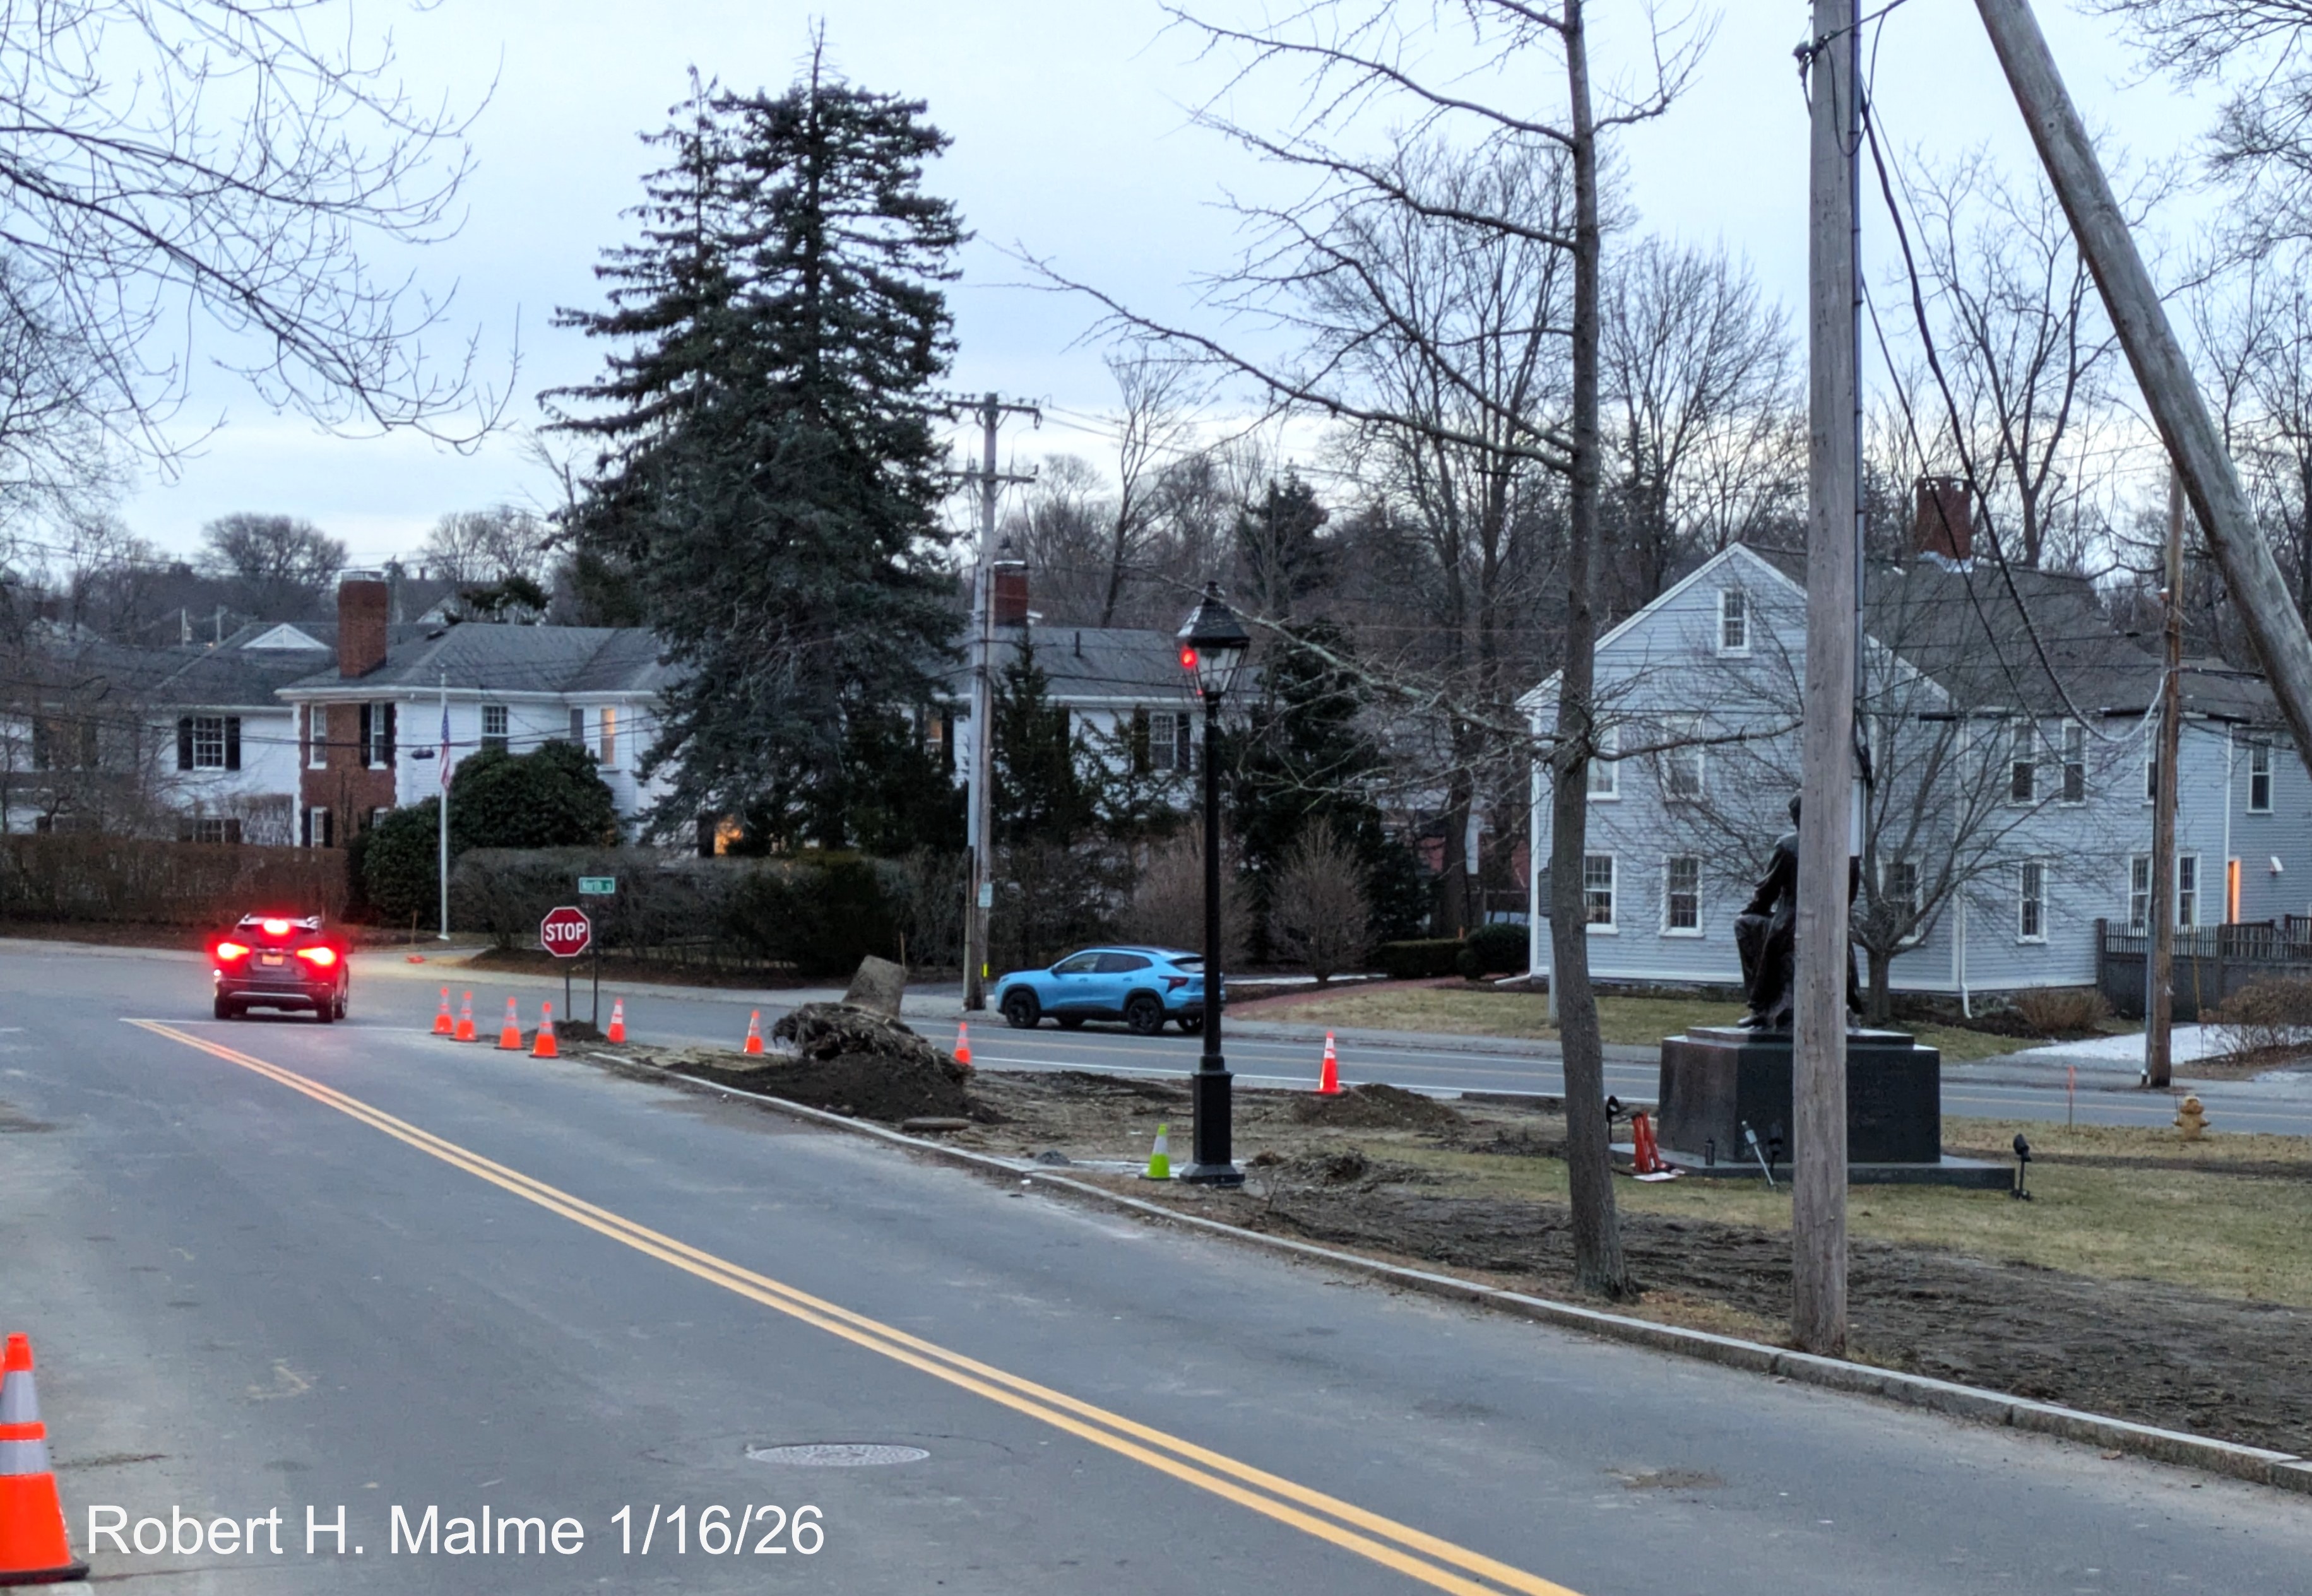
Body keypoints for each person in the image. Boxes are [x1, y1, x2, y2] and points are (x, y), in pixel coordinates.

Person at [1734, 795, 1861, 1029]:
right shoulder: (1849, 847)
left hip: (1792, 924)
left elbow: (1767, 890)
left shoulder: (1789, 846)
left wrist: (1754, 909)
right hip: (1835, 926)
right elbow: (1851, 894)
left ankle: (1760, 1006)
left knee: (1744, 924)